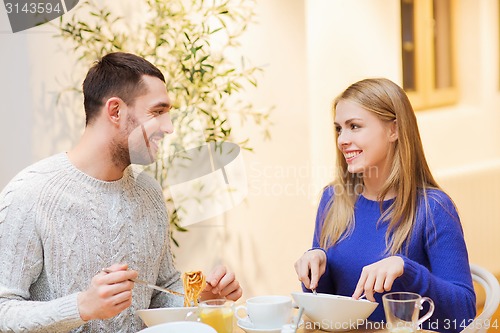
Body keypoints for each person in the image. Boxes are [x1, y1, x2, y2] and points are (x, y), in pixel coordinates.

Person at [0, 52, 242, 333]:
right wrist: (81, 307)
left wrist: (198, 297)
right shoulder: (29, 194)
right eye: (157, 112)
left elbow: (159, 291)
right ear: (115, 111)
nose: (169, 127)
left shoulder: (148, 192)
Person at [294, 78, 476, 333]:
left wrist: (407, 269)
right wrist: (316, 269)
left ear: (394, 130)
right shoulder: (332, 199)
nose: (342, 140)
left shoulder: (433, 209)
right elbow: (328, 312)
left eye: (354, 126)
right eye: (339, 129)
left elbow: (463, 315)